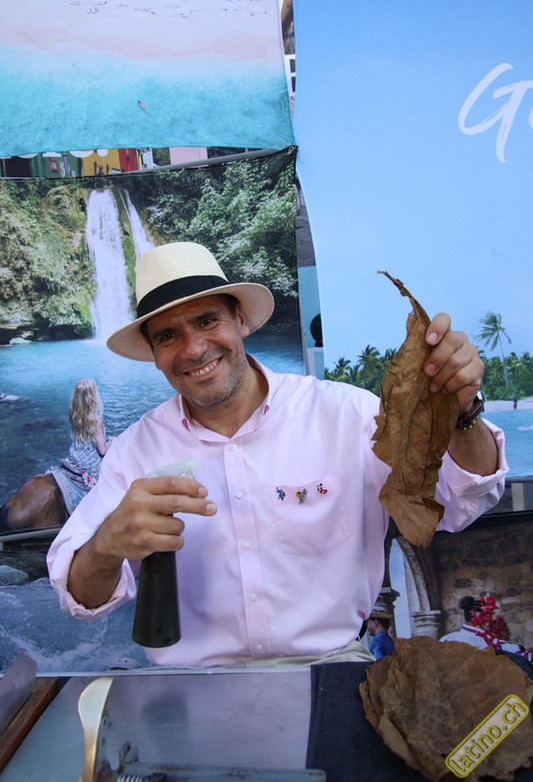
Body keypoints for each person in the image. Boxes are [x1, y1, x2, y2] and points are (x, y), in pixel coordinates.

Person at [47, 242, 507, 668]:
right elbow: (81, 598)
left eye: (207, 321)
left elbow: (460, 502)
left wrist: (463, 411)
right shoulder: (133, 453)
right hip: (192, 687)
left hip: (332, 669)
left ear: (240, 321)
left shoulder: (346, 416)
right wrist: (106, 545)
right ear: (153, 353)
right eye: (168, 335)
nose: (194, 349)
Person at [50, 379, 113, 515]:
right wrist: (112, 441)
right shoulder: (97, 420)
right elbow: (102, 450)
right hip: (90, 464)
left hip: (75, 456)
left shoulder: (72, 413)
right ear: (92, 397)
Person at [440, 593, 533, 665]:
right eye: (488, 616)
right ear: (475, 616)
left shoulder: (446, 638)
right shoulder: (477, 639)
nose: (491, 620)